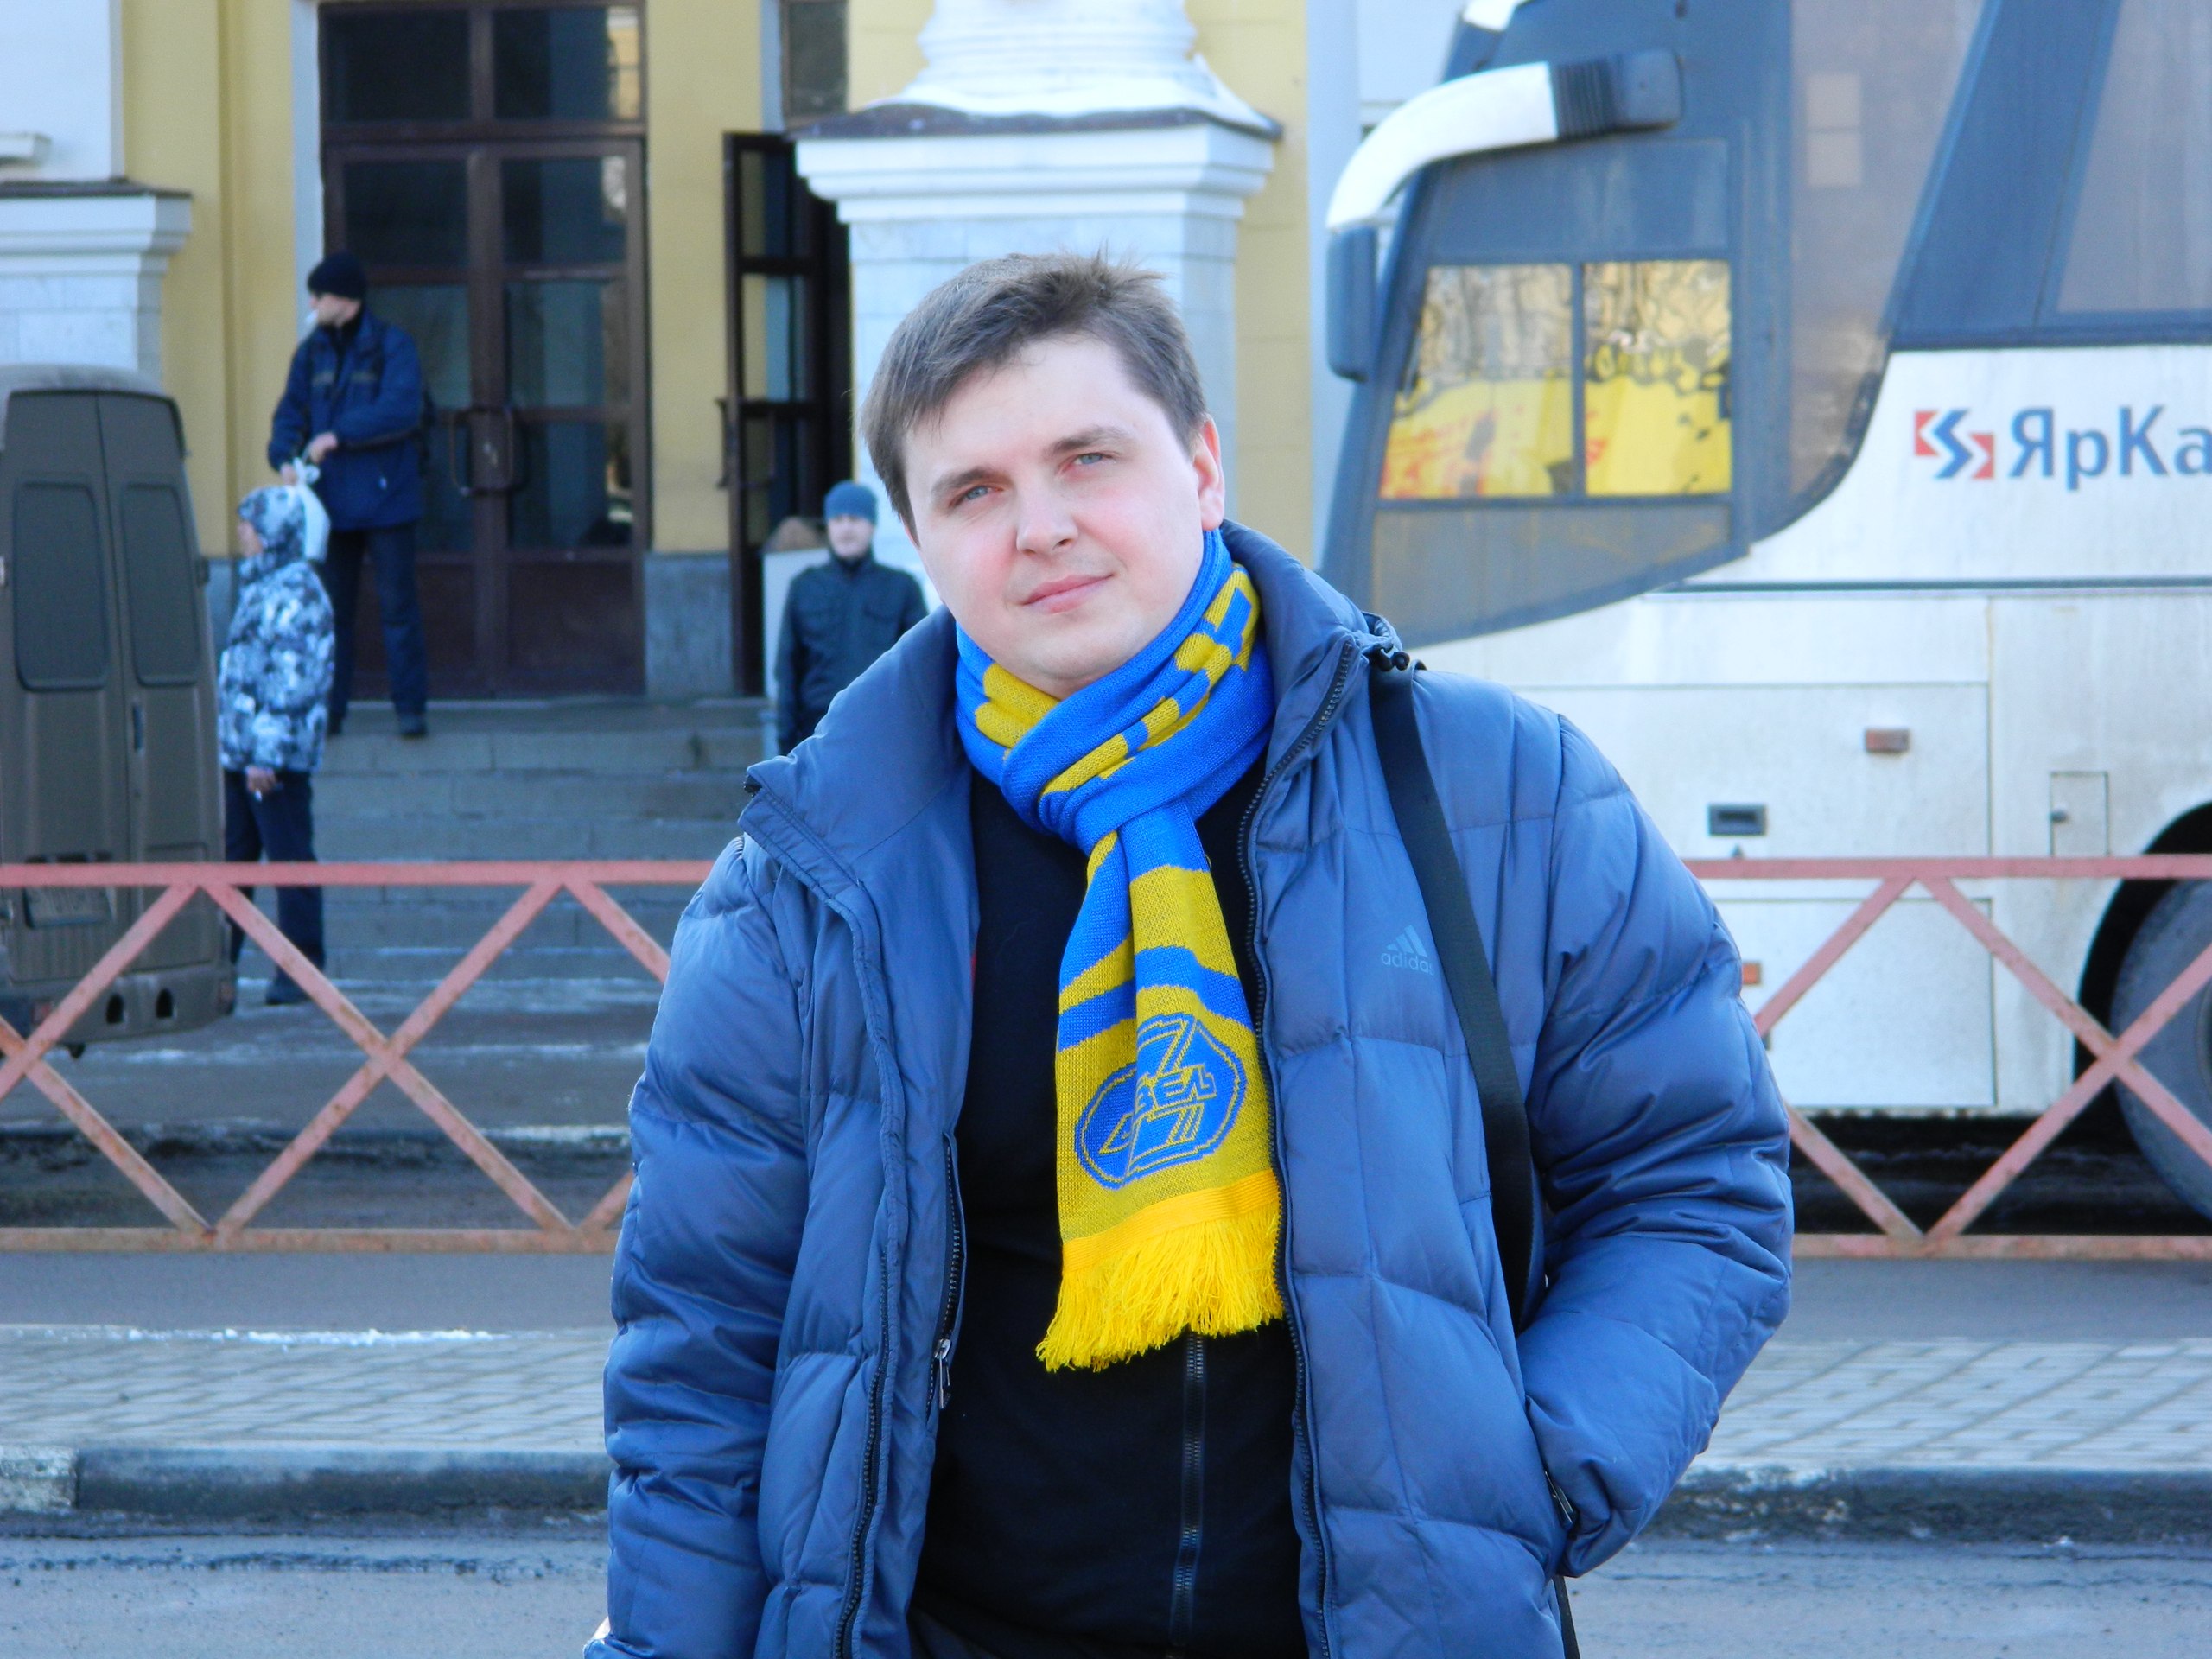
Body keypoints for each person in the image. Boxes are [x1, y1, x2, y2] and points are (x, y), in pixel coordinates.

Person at [590, 255, 1792, 1659]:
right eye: (972, 491)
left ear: (1204, 468)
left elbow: (1692, 1179)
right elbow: (703, 1346)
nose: (1040, 527)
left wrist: (1526, 1471)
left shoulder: (1500, 794)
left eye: (1086, 459)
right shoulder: (807, 881)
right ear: (918, 538)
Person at [268, 249, 430, 740]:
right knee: (332, 613)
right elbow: (290, 412)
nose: (312, 304)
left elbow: (402, 409)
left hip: (387, 501)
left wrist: (338, 436)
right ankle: (330, 712)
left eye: (318, 295)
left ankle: (410, 710)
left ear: (345, 298)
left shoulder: (392, 346)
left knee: (398, 609)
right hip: (331, 506)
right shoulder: (310, 353)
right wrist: (283, 457)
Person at [219, 486, 335, 1007]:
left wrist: (266, 754)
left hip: (273, 761)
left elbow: (293, 681)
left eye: (249, 524)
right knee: (234, 865)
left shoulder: (298, 593)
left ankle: (301, 968)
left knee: (290, 860)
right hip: (243, 754)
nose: (241, 533)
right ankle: (219, 969)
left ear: (273, 532)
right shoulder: (262, 585)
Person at [773, 479, 928, 752]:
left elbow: (923, 666)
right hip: (817, 735)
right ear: (828, 527)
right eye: (838, 520)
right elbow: (787, 669)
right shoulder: (804, 588)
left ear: (872, 526)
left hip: (885, 733)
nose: (846, 528)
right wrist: (786, 744)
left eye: (855, 519)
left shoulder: (901, 588)